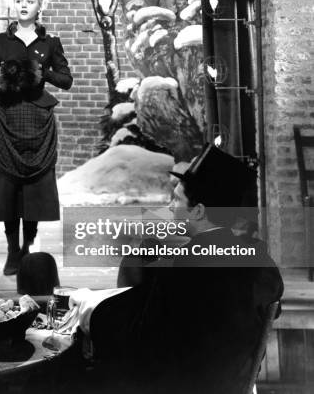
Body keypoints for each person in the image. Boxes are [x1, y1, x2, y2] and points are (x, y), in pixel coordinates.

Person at [68, 144, 284, 394]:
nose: (171, 207)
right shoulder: (259, 260)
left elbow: (142, 339)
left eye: (177, 199)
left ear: (200, 210)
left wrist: (89, 315)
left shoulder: (181, 268)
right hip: (232, 382)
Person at [0, 0, 73, 276]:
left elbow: (66, 80)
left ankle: (28, 247)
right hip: (6, 117)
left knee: (32, 187)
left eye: (30, 1)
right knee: (7, 185)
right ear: (13, 3)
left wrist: (41, 71)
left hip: (37, 119)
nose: (24, 5)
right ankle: (11, 250)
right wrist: (3, 74)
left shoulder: (51, 43)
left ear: (39, 6)